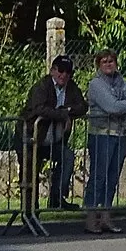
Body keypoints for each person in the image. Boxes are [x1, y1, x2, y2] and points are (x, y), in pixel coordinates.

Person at [83, 52, 126, 233]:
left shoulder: (121, 82)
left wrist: (119, 106)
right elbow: (111, 106)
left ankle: (106, 216)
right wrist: (123, 106)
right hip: (101, 135)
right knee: (98, 176)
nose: (108, 64)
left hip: (120, 135)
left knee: (112, 177)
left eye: (111, 61)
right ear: (98, 65)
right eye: (104, 61)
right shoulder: (95, 84)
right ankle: (91, 218)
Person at [18, 56, 85, 211]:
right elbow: (39, 108)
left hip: (53, 140)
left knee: (67, 156)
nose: (64, 75)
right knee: (30, 176)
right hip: (31, 137)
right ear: (53, 70)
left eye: (68, 72)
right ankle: (29, 213)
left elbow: (82, 106)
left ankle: (56, 197)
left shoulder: (71, 87)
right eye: (60, 71)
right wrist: (62, 115)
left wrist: (67, 111)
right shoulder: (42, 86)